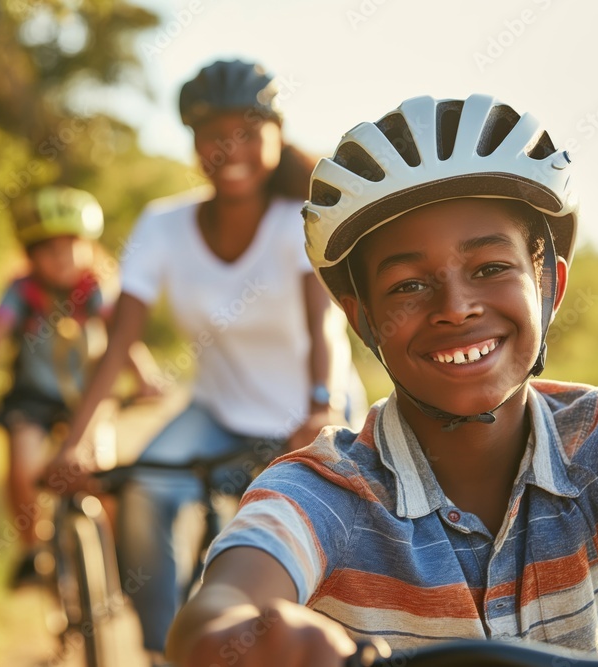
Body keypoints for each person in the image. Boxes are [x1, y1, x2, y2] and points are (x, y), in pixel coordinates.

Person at [167, 94, 598, 665]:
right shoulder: (325, 493)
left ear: (551, 285)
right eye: (408, 285)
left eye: (491, 266)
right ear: (363, 321)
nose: (454, 306)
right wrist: (246, 638)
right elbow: (215, 613)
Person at [43, 60, 365, 661]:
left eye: (247, 131)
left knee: (325, 528)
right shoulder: (163, 225)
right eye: (213, 134)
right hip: (217, 411)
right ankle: (167, 650)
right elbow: (120, 341)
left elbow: (324, 322)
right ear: (193, 143)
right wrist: (77, 439)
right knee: (145, 494)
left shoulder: (298, 221)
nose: (230, 147)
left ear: (276, 135)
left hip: (312, 410)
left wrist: (319, 409)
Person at [0, 185, 162, 585]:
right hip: (31, 399)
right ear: (30, 254)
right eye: (50, 249)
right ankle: (32, 550)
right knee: (22, 465)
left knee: (101, 473)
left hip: (89, 399)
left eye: (72, 245)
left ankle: (121, 559)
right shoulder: (21, 292)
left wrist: (146, 378)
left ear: (89, 247)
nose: (63, 256)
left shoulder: (97, 287)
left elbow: (122, 337)